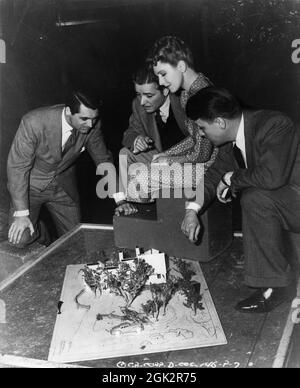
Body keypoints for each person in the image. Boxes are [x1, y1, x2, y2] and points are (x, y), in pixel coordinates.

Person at [182, 86, 300, 313]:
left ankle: (275, 287)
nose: (202, 135)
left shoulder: (274, 124)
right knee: (254, 196)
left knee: (255, 198)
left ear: (220, 122)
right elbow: (213, 174)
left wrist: (231, 177)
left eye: (202, 128)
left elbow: (272, 176)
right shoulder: (233, 140)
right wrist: (192, 210)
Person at [7, 90, 136, 247]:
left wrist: (120, 199)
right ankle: (39, 231)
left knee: (76, 241)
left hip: (63, 188)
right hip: (30, 187)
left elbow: (103, 161)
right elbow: (17, 167)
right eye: (84, 119)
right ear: (68, 111)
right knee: (21, 240)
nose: (90, 125)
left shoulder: (92, 125)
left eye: (93, 119)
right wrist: (21, 214)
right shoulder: (33, 122)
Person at [121, 36, 217, 201]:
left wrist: (171, 159)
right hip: (197, 164)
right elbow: (194, 140)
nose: (161, 82)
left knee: (138, 182)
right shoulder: (188, 92)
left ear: (181, 65)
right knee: (141, 175)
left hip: (209, 168)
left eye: (163, 74)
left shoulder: (202, 92)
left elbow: (202, 153)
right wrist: (166, 154)